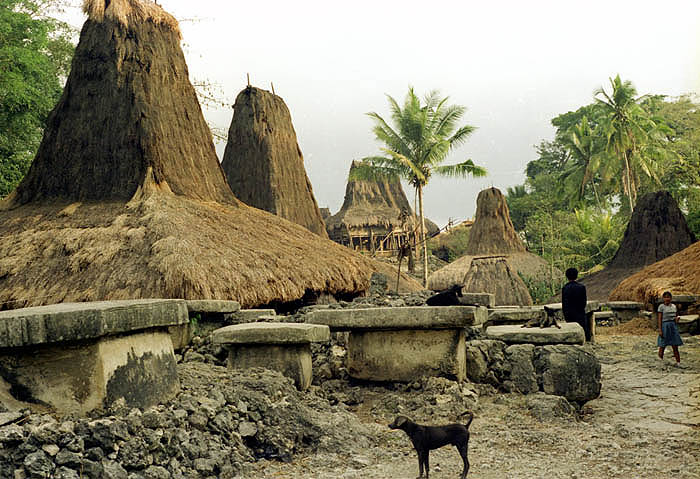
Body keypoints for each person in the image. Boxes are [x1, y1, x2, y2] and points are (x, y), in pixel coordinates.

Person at [561, 267, 589, 341]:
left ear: (567, 276)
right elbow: (584, 302)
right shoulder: (581, 287)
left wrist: (566, 314)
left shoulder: (565, 288)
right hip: (579, 313)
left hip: (569, 314)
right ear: (577, 276)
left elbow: (564, 303)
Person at [657, 291, 683, 366]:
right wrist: (660, 330)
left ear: (671, 298)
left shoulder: (674, 306)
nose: (667, 299)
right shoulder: (661, 307)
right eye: (665, 297)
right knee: (663, 345)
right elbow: (659, 319)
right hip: (665, 326)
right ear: (663, 298)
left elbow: (675, 316)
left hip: (673, 326)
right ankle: (660, 361)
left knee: (675, 345)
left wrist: (676, 319)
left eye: (668, 297)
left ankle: (678, 362)